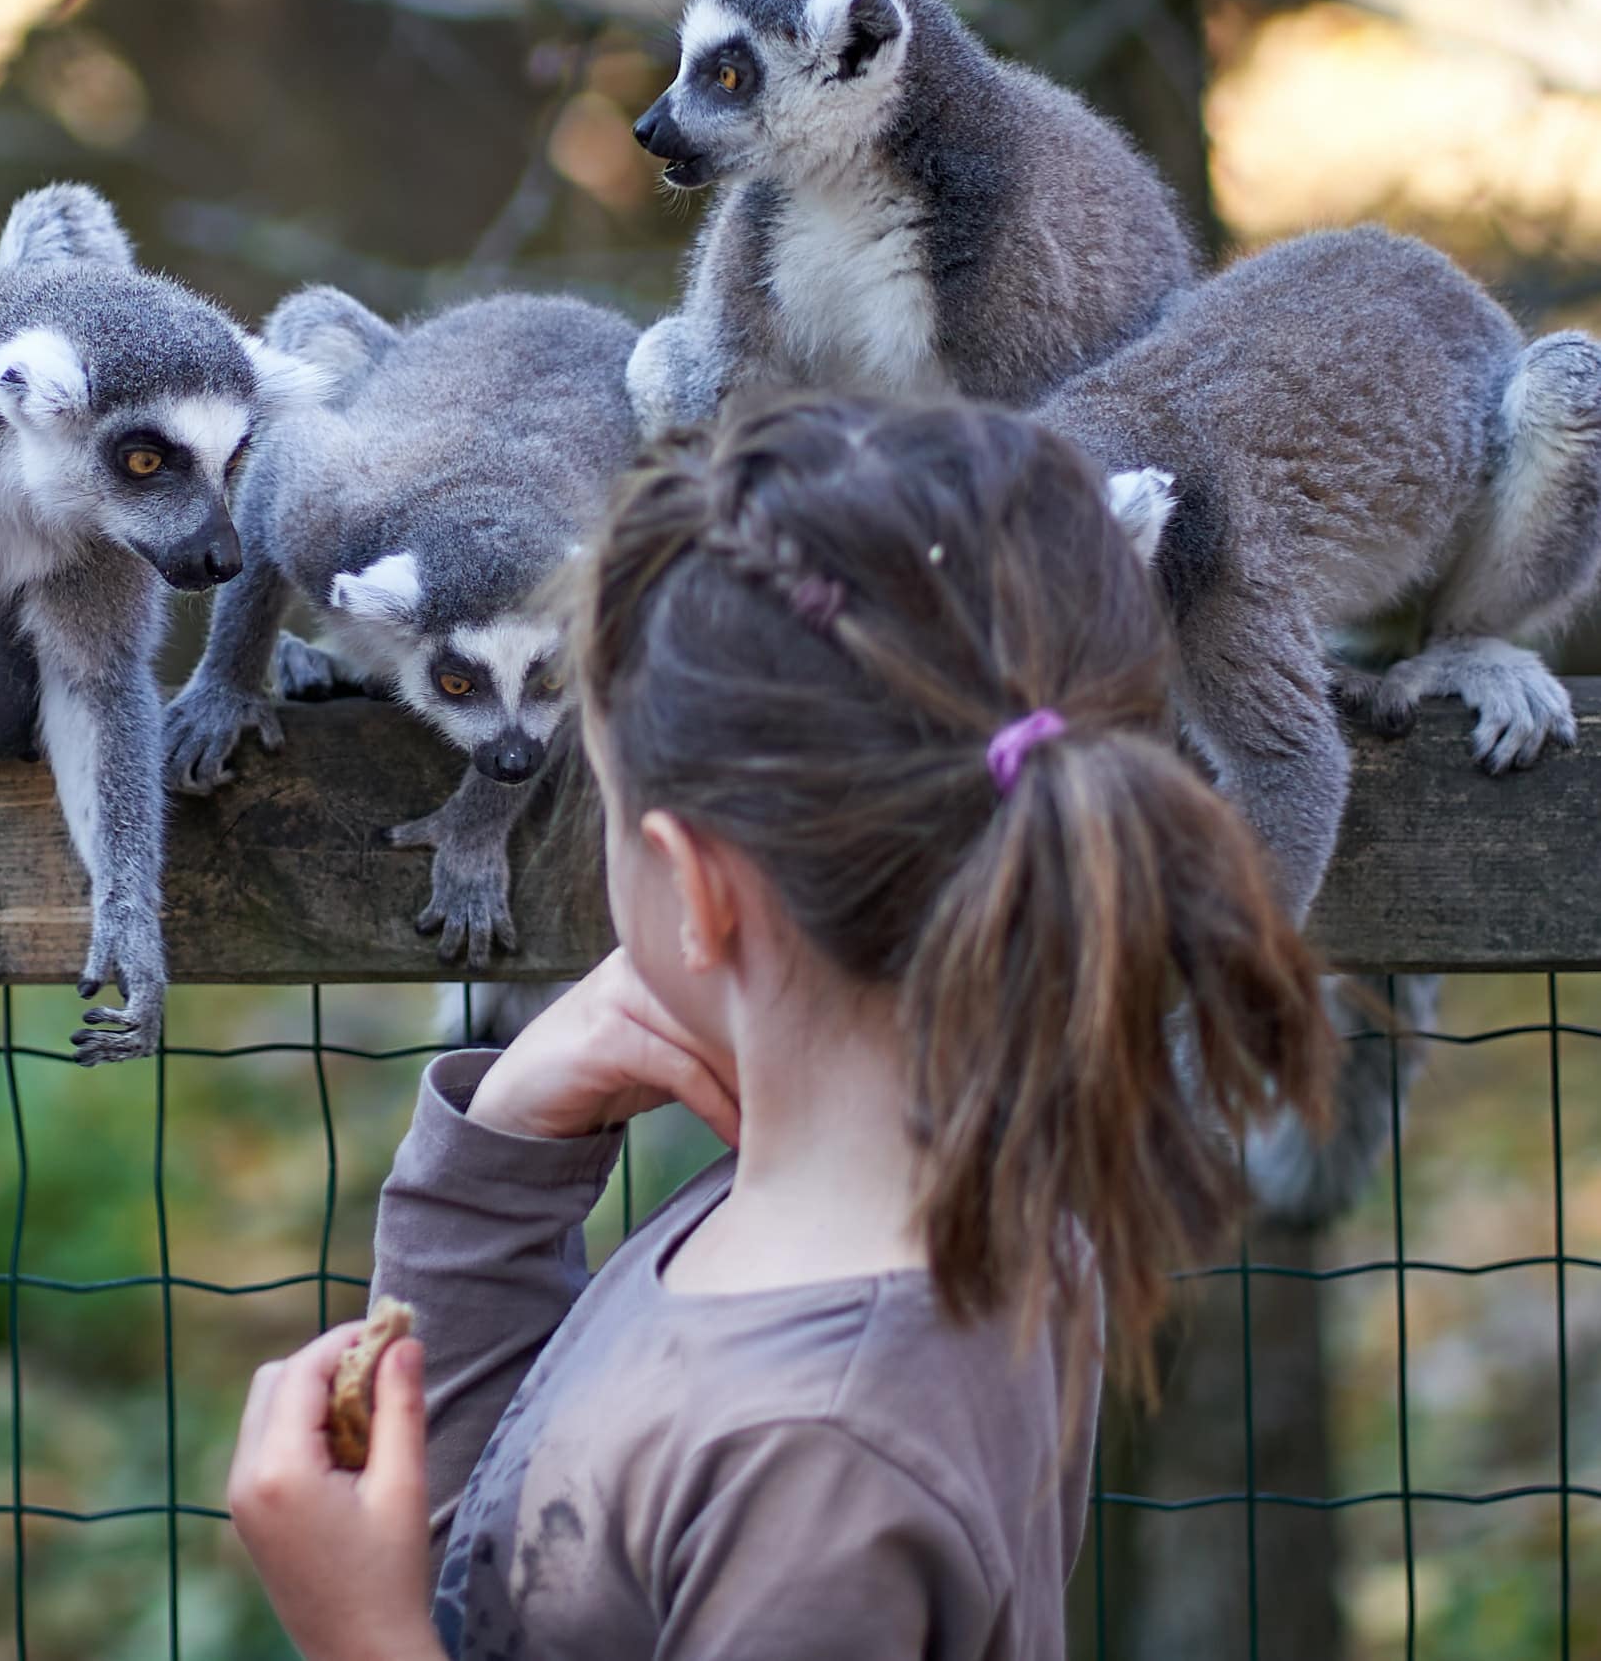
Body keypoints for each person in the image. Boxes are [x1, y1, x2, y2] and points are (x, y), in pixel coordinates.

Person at [227, 394, 1335, 1660]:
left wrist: (359, 1644)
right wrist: (499, 1161)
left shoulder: (823, 1456)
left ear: (693, 888)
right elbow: (495, 1572)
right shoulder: (900, 1200)